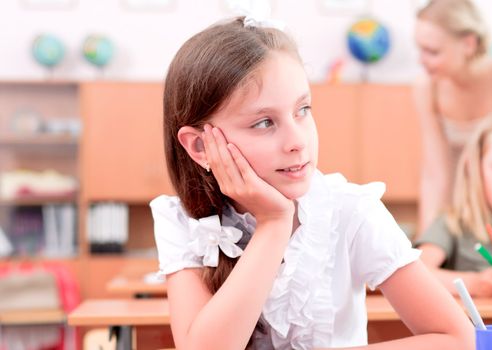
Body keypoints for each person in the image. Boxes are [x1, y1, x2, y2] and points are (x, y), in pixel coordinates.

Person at [151, 16, 473, 350]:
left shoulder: (350, 210)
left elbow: (456, 339)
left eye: (302, 110)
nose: (297, 141)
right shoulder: (182, 219)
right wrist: (274, 224)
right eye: (264, 122)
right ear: (200, 146)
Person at [413, 0, 492, 237]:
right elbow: (436, 173)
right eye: (420, 49)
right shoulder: (427, 87)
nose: (421, 60)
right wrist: (427, 239)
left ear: (468, 44)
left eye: (432, 51)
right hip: (459, 205)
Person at [415, 108, 492, 297]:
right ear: (474, 169)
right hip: (471, 325)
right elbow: (417, 273)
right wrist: (473, 284)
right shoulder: (451, 224)